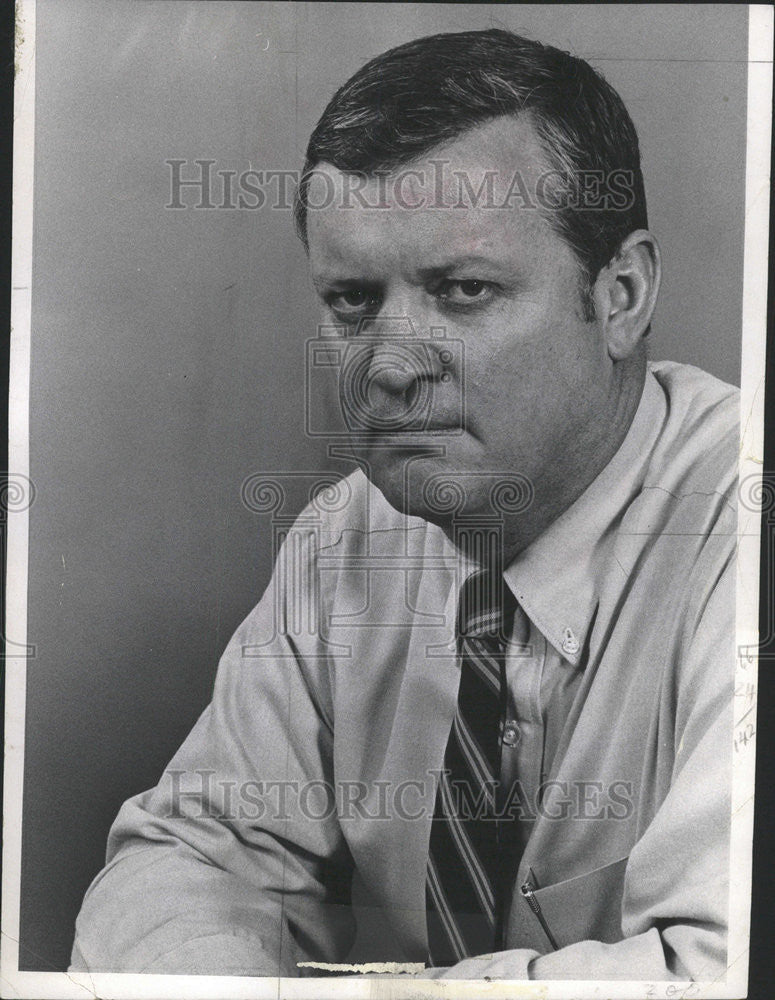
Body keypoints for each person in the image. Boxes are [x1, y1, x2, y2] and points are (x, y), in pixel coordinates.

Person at [70, 29, 737, 981]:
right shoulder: (345, 538)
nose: (386, 365)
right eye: (350, 300)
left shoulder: (739, 541)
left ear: (621, 294)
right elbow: (186, 861)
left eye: (463, 291)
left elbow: (718, 975)